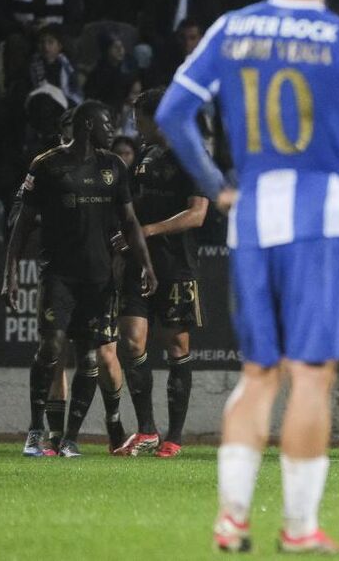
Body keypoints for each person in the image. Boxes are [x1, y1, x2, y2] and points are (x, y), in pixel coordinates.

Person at [153, 0, 339, 553]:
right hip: (320, 220)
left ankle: (232, 520)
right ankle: (298, 530)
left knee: (258, 374)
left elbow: (174, 112)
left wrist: (216, 186)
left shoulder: (232, 28)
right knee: (311, 377)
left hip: (253, 217)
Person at [3, 101, 158, 458]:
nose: (113, 130)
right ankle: (35, 431)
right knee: (51, 346)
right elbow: (21, 224)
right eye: (107, 123)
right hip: (58, 275)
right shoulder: (47, 165)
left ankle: (70, 439)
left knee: (90, 357)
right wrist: (10, 273)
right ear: (88, 125)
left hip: (99, 279)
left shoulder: (113, 166)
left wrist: (146, 265)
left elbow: (130, 222)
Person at [114, 89, 210, 458]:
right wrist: (124, 230)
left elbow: (197, 214)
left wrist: (147, 231)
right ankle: (147, 430)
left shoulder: (192, 154)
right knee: (131, 342)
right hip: (140, 262)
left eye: (139, 119)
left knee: (177, 347)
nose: (135, 127)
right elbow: (136, 202)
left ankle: (174, 436)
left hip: (176, 265)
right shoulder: (146, 156)